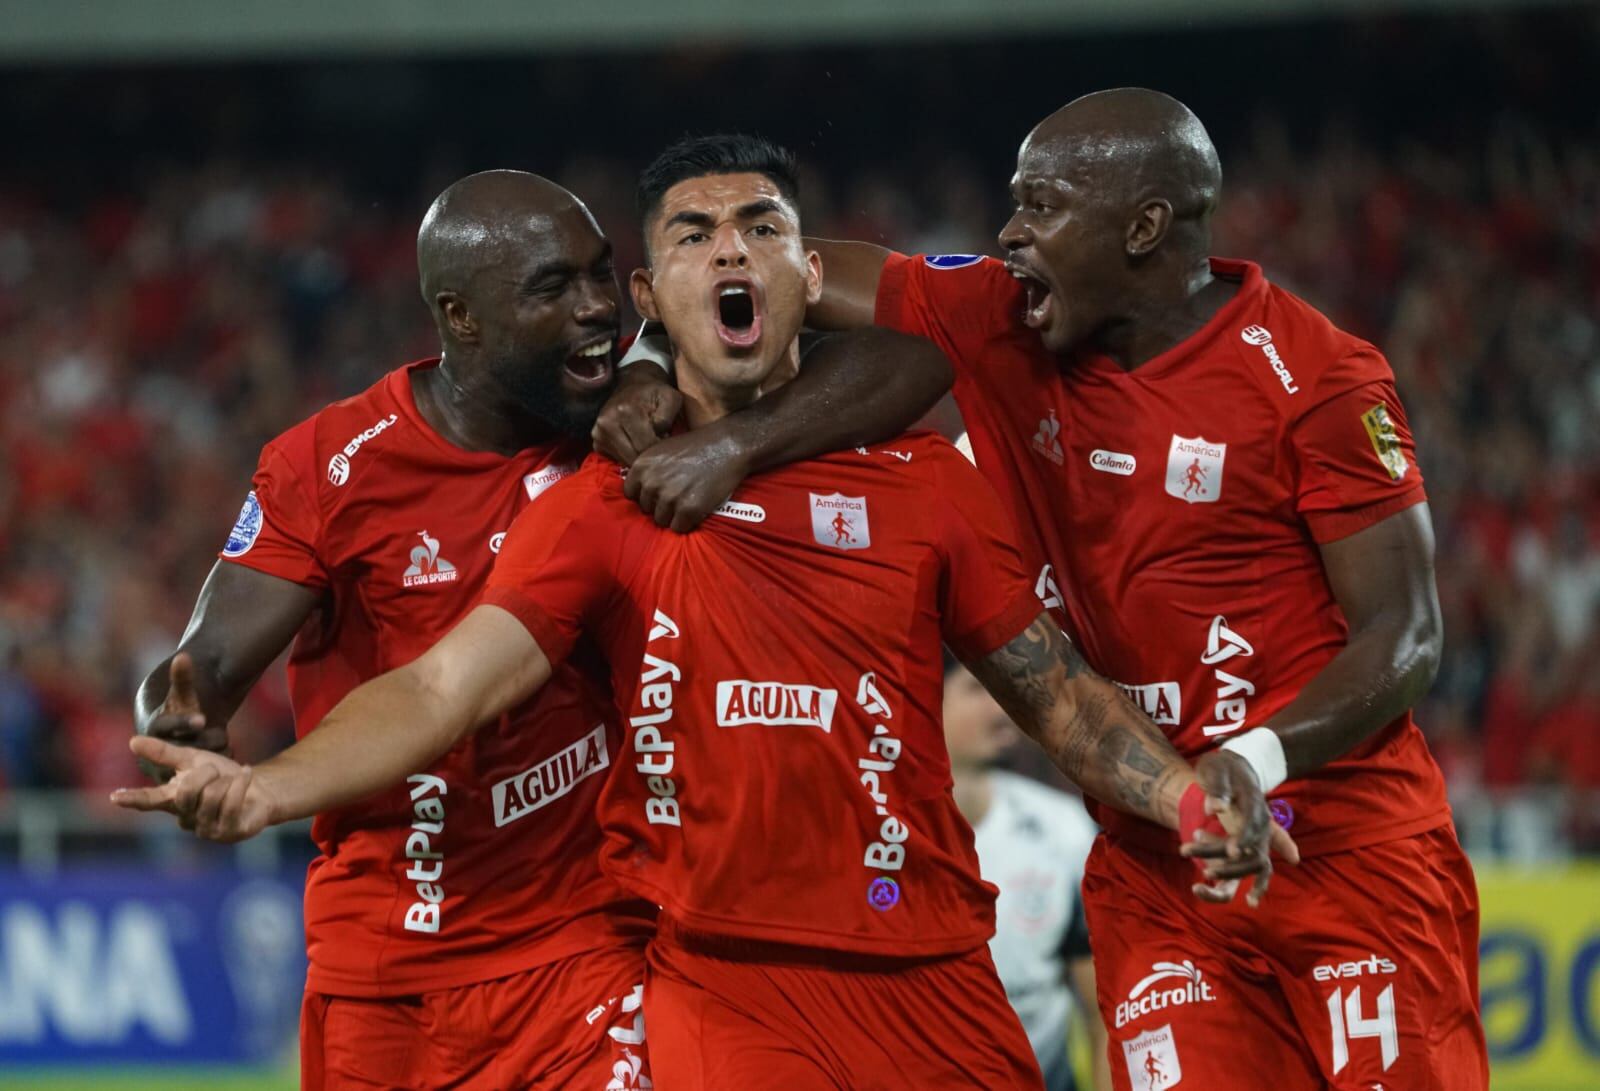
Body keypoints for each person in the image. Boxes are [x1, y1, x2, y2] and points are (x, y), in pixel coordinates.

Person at [115, 135, 1283, 1091]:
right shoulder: (605, 497)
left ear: (806, 275)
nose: (731, 250)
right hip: (712, 989)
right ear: (651, 297)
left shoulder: (925, 483)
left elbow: (1057, 694)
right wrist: (264, 781)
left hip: (934, 975)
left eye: (762, 230)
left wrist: (1189, 794)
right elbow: (440, 683)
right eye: (691, 234)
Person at [128, 168, 958, 1091]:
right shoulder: (330, 464)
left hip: (588, 944)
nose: (597, 309)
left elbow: (913, 357)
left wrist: (722, 435)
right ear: (463, 318)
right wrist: (180, 724)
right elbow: (202, 667)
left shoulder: (632, 434)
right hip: (388, 960)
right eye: (554, 289)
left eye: (603, 275)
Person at [789, 88, 1487, 1089]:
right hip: (1156, 873)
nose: (1009, 232)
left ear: (1143, 227)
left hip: (1347, 855)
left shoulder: (1316, 377)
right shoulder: (1003, 320)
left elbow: (1405, 634)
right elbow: (796, 276)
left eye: (1041, 206)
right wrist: (649, 361)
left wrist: (1252, 759)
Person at [943, 658, 1110, 1091]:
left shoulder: (1064, 828)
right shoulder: (883, 841)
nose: (1001, 709)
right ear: (926, 699)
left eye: (1002, 692)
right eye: (977, 691)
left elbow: (1101, 1011)